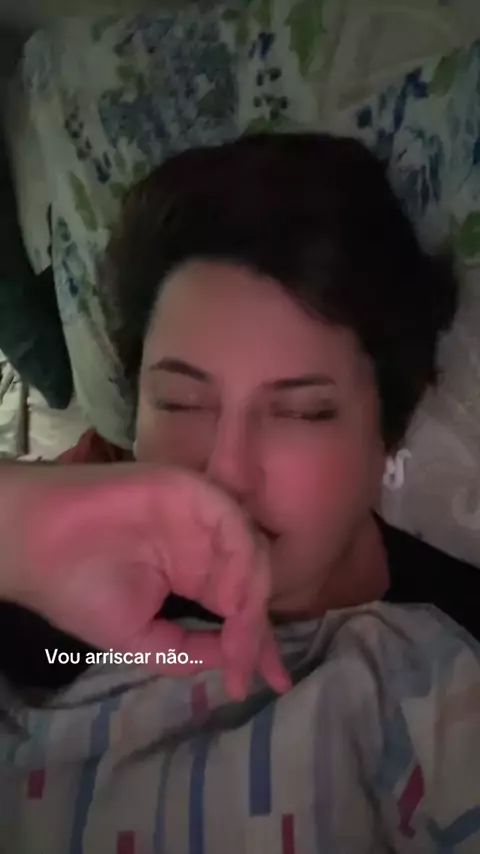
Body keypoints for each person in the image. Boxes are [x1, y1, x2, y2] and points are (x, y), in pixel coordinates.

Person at [1, 132, 480, 852]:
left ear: (390, 425)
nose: (225, 472)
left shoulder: (458, 651)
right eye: (181, 402)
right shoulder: (62, 585)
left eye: (301, 413)